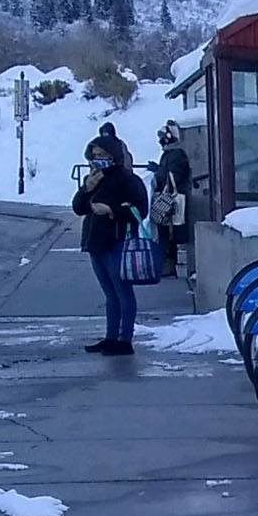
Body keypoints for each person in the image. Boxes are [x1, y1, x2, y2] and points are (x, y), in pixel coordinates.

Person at [72, 134, 148, 355]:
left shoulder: (127, 179)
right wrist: (86, 188)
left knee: (123, 292)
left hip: (118, 241)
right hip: (96, 243)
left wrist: (112, 209)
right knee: (110, 294)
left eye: (103, 155)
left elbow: (139, 210)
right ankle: (111, 336)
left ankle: (125, 339)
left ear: (113, 156)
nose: (98, 160)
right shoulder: (94, 178)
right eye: (94, 156)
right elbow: (78, 208)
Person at [152, 120, 191, 278]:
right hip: (169, 199)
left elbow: (174, 176)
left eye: (163, 137)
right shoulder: (170, 154)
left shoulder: (176, 154)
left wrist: (159, 172)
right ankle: (166, 264)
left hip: (172, 201)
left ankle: (168, 265)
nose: (160, 141)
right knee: (166, 233)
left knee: (168, 234)